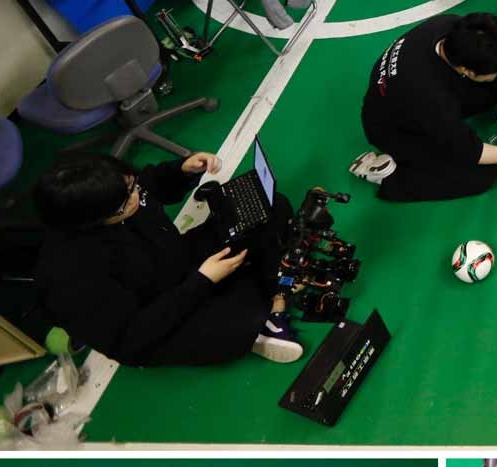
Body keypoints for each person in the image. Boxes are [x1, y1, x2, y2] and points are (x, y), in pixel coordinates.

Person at [33, 152, 303, 367]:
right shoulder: (70, 277)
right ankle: (263, 310)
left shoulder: (118, 189)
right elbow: (130, 338)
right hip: (155, 318)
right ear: (92, 219)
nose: (136, 197)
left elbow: (151, 184)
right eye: (124, 203)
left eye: (132, 185)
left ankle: (262, 285)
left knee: (271, 207)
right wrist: (202, 282)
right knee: (241, 323)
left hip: (174, 261)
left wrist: (181, 170)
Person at [351, 12, 497, 202]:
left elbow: (490, 75)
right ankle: (389, 179)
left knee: (491, 93)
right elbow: (473, 152)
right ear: (466, 71)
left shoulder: (450, 26)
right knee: (482, 176)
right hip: (394, 130)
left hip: (402, 98)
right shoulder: (431, 100)